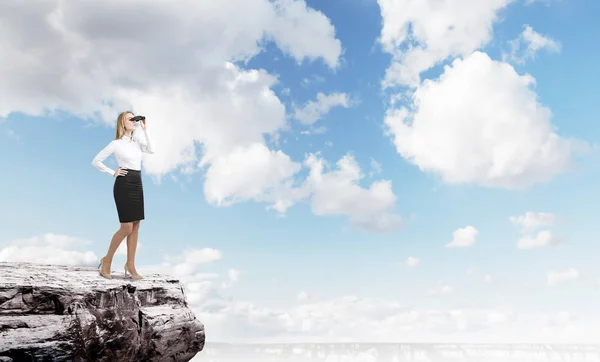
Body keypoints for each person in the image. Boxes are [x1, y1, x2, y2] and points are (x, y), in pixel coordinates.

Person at [91, 111, 154, 280]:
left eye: (134, 118)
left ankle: (130, 265)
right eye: (130, 119)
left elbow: (150, 150)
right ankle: (107, 260)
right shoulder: (116, 144)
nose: (133, 121)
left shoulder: (137, 142)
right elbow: (96, 161)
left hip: (137, 183)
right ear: (122, 123)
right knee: (126, 227)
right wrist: (113, 172)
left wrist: (145, 129)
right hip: (124, 184)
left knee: (135, 226)